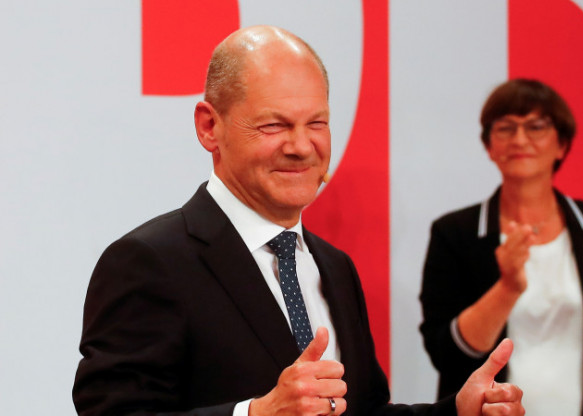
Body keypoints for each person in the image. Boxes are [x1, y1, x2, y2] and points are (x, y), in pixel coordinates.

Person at [73, 26, 524, 416]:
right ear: (210, 127)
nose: (302, 147)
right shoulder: (149, 262)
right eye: (274, 125)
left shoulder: (335, 267)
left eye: (317, 123)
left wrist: (457, 411)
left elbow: (365, 411)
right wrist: (255, 414)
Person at [419, 79, 583, 416]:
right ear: (489, 146)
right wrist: (508, 288)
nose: (520, 139)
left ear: (562, 145)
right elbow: (447, 354)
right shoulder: (456, 232)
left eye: (536, 127)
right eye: (506, 128)